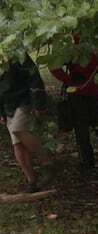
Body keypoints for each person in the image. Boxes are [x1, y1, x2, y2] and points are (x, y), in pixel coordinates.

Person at [50, 46, 98, 173]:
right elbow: (53, 66)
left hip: (92, 95)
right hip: (78, 96)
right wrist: (71, 81)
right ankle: (88, 164)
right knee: (83, 133)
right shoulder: (70, 45)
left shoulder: (92, 44)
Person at [0, 55, 56, 193]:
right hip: (7, 106)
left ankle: (46, 162)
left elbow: (34, 78)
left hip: (24, 101)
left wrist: (39, 104)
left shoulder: (16, 54)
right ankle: (32, 181)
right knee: (18, 145)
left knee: (18, 130)